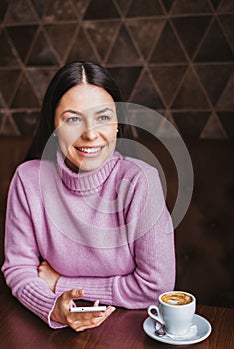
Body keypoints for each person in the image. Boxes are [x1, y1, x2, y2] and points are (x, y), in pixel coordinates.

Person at [2, 61, 175, 332]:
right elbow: (19, 268)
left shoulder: (140, 181)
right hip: (50, 332)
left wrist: (60, 283)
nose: (91, 134)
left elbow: (156, 287)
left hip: (129, 332)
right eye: (72, 119)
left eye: (103, 117)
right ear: (54, 125)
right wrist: (53, 309)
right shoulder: (28, 180)